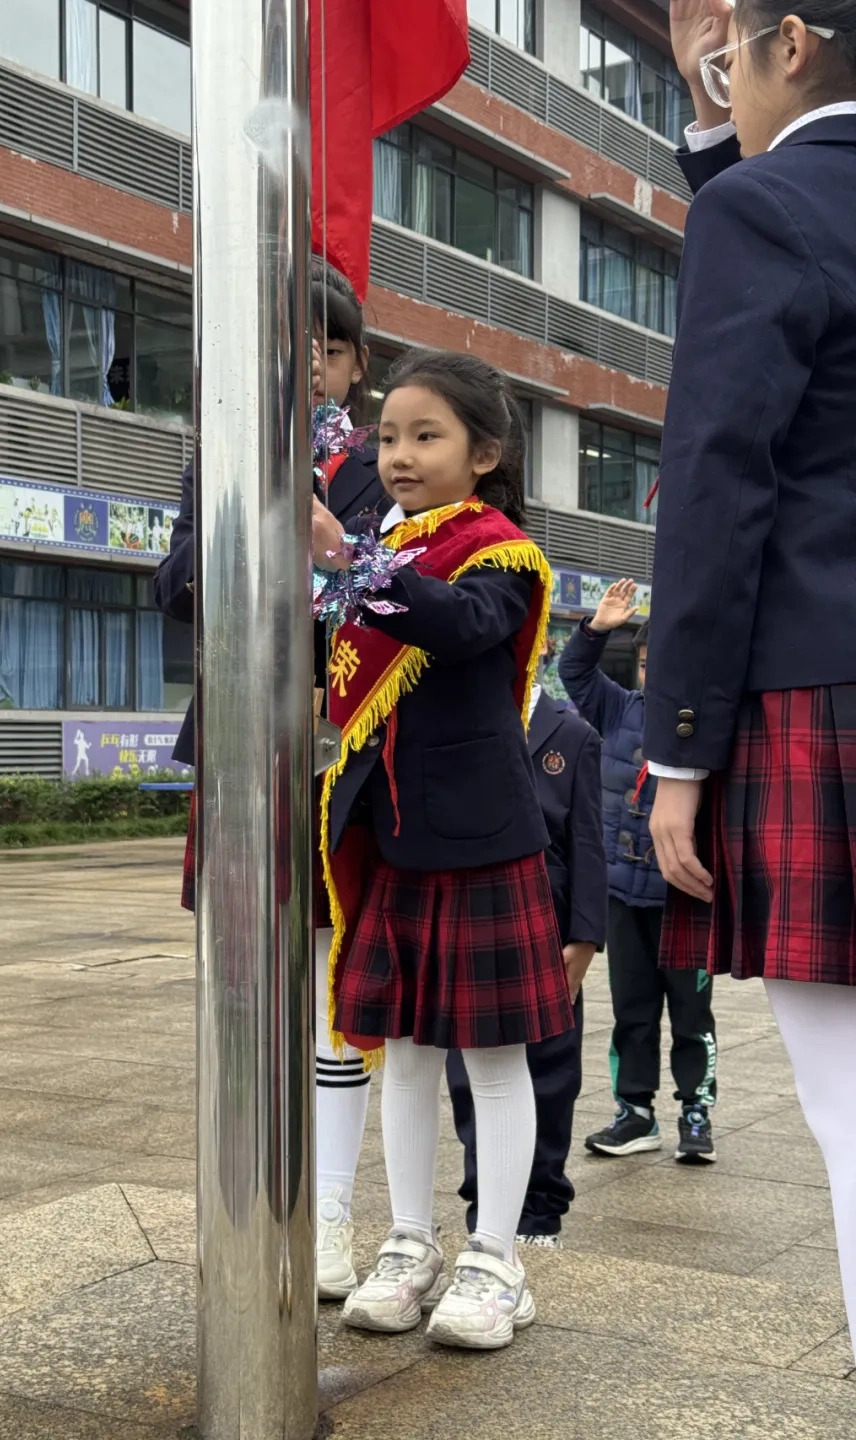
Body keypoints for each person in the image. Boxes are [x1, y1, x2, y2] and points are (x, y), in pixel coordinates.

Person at [649, 0, 856, 1363]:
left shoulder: (762, 208)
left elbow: (720, 480)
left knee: (851, 1103)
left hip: (823, 685)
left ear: (788, 40)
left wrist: (680, 746)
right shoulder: (771, 195)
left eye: (736, 53)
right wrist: (718, 122)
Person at [319, 349, 573, 1351]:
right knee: (410, 1057)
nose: (400, 455)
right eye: (388, 436)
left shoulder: (499, 553)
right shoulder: (394, 547)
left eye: (427, 436)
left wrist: (350, 564)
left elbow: (465, 629)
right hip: (396, 836)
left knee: (495, 1062)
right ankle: (410, 1243)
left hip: (480, 840)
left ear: (485, 453)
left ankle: (495, 1259)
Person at [154, 258, 389, 1301]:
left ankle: (327, 1208)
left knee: (334, 976)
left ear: (356, 364)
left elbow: (399, 595)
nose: (308, 369)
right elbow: (170, 586)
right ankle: (245, 1194)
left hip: (344, 744)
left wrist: (332, 550)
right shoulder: (222, 456)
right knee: (247, 976)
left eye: (326, 350)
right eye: (288, 351)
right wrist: (242, 523)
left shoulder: (387, 463)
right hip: (242, 742)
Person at [559, 581, 718, 1163]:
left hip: (685, 898)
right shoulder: (619, 708)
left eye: (663, 663)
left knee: (692, 1015)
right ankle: (635, 1112)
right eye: (647, 662)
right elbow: (575, 673)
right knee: (632, 1010)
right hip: (622, 896)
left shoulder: (708, 724)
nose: (653, 673)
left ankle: (696, 1112)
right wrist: (596, 628)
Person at [447, 682, 605, 1249]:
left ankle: (539, 1210)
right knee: (470, 1075)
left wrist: (585, 936)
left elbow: (588, 841)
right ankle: (486, 1204)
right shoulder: (461, 716)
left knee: (551, 1072)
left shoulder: (573, 734)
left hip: (549, 928)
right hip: (474, 922)